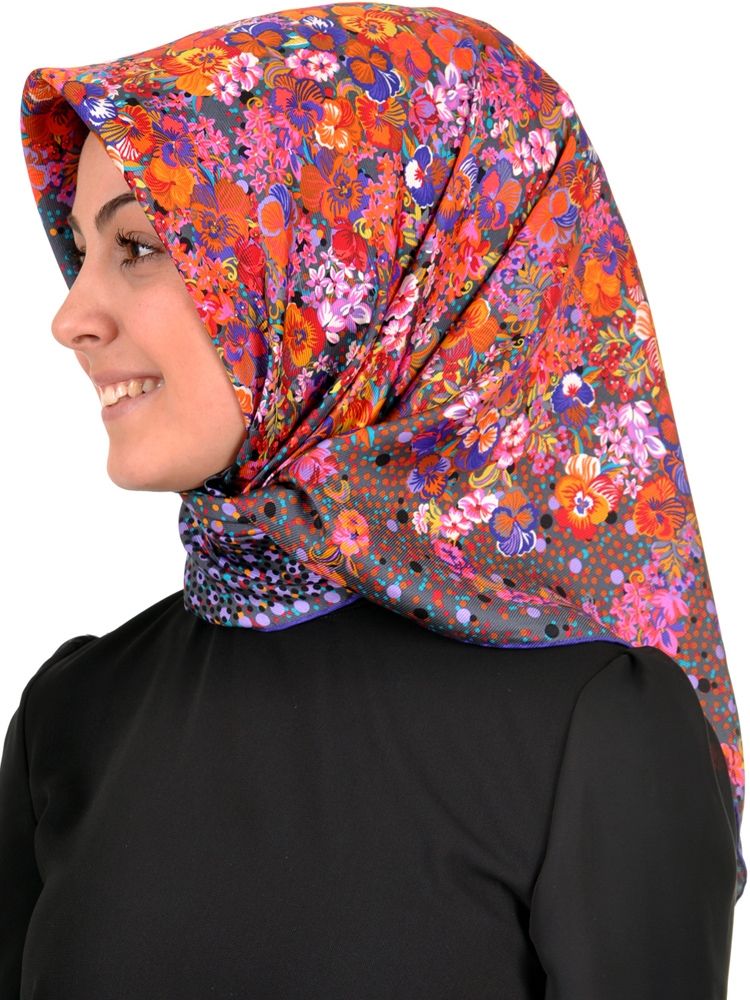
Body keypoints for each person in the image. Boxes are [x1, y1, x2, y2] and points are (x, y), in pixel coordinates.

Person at [2, 3, 744, 996]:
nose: (70, 316)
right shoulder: (72, 718)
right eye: (82, 252)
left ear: (349, 273)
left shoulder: (594, 734)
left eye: (137, 245)